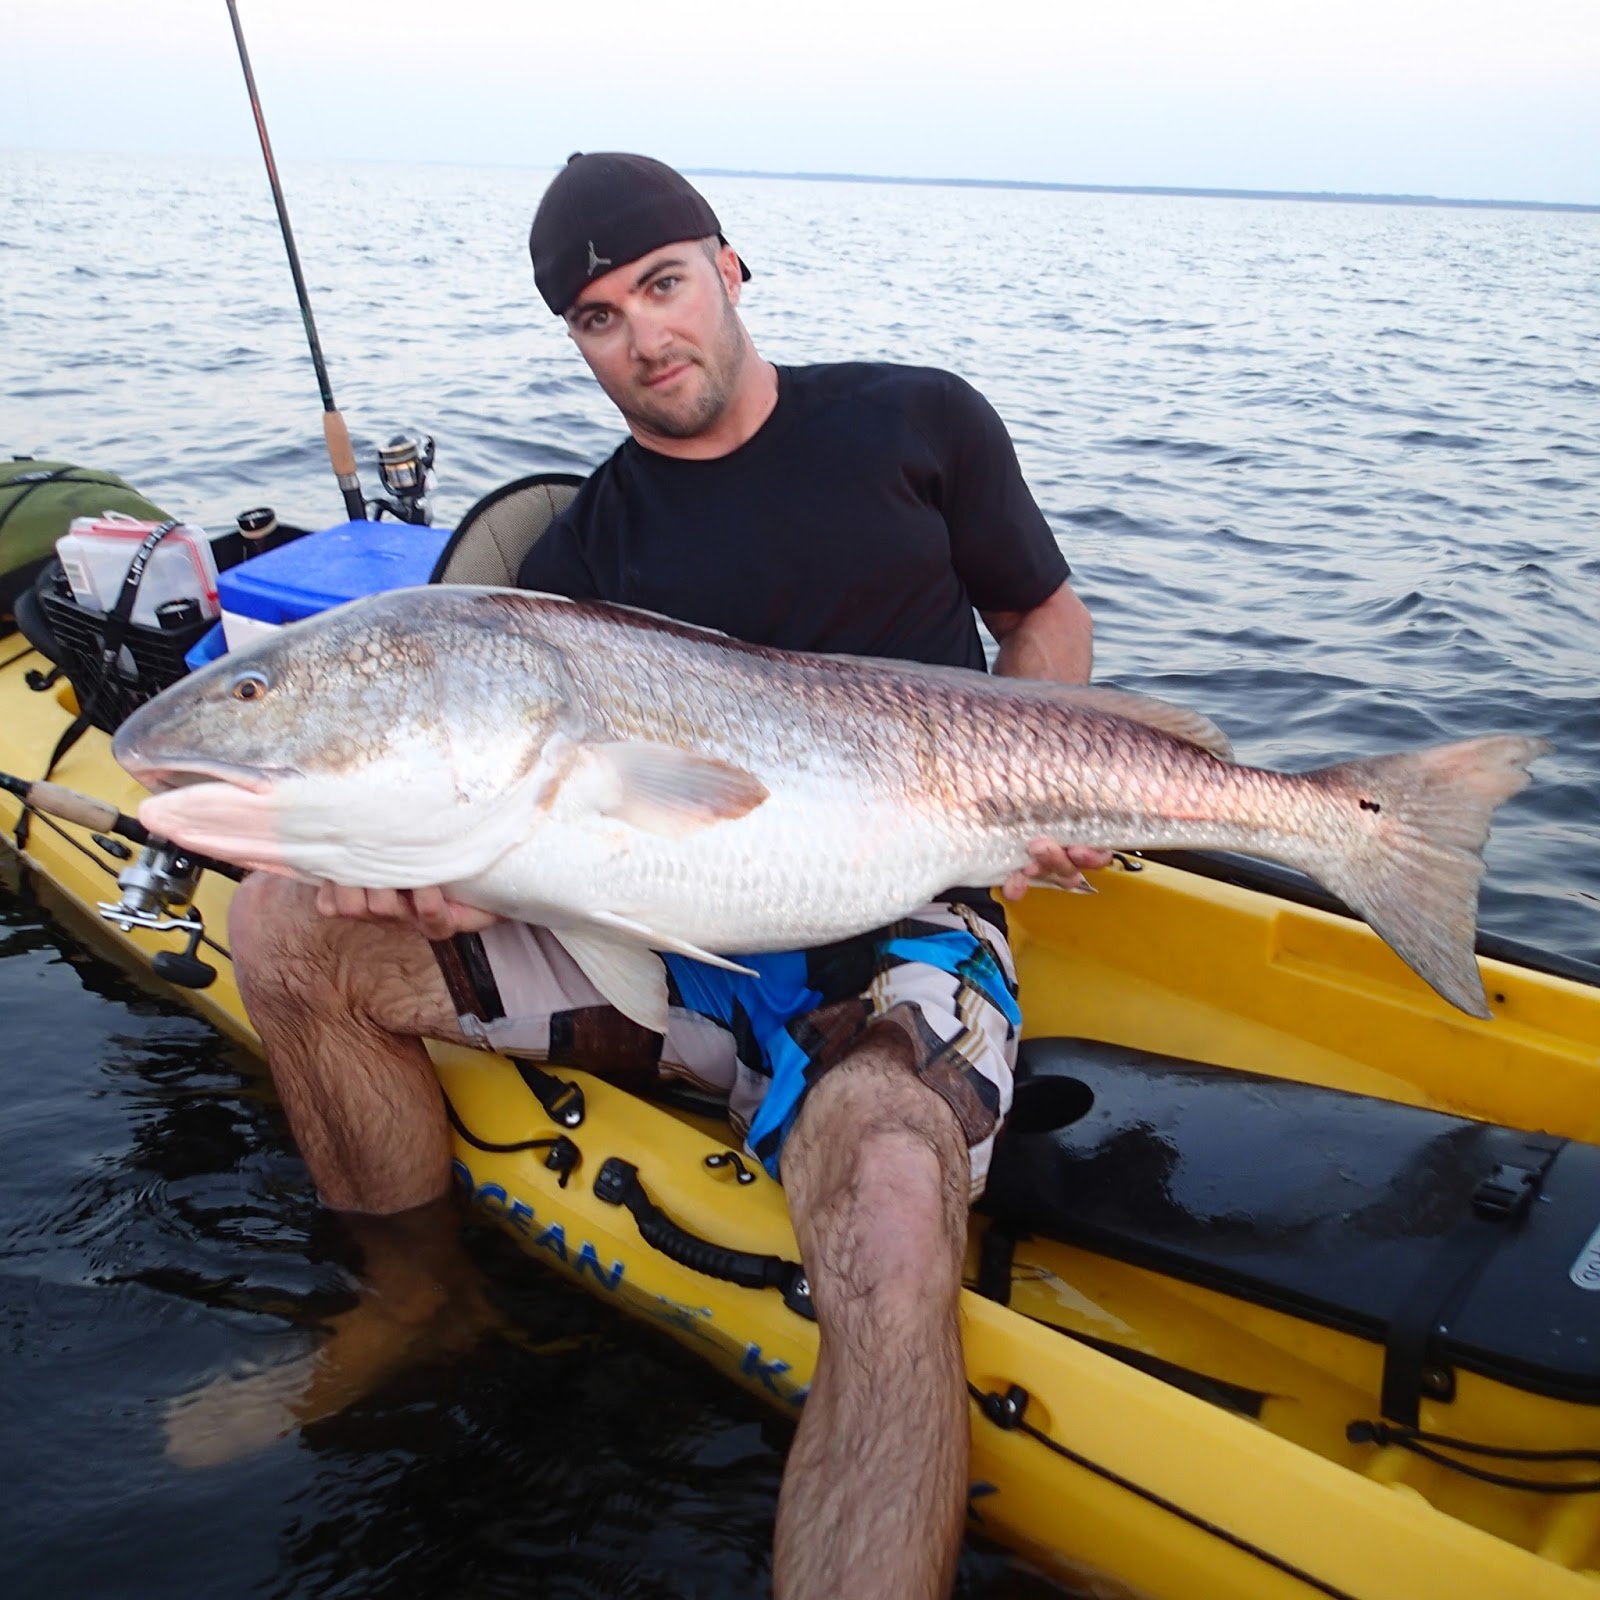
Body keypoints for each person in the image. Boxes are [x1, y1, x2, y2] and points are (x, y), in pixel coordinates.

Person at [206, 153, 1106, 1600]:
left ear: (728, 268)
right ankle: (418, 1299)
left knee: (885, 1189)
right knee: (281, 925)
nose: (644, 338)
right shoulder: (579, 565)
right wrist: (441, 879)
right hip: (649, 938)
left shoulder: (916, 420)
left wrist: (1045, 778)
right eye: (599, 318)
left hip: (906, 913)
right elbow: (552, 821)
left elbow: (1040, 614)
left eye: (662, 287)